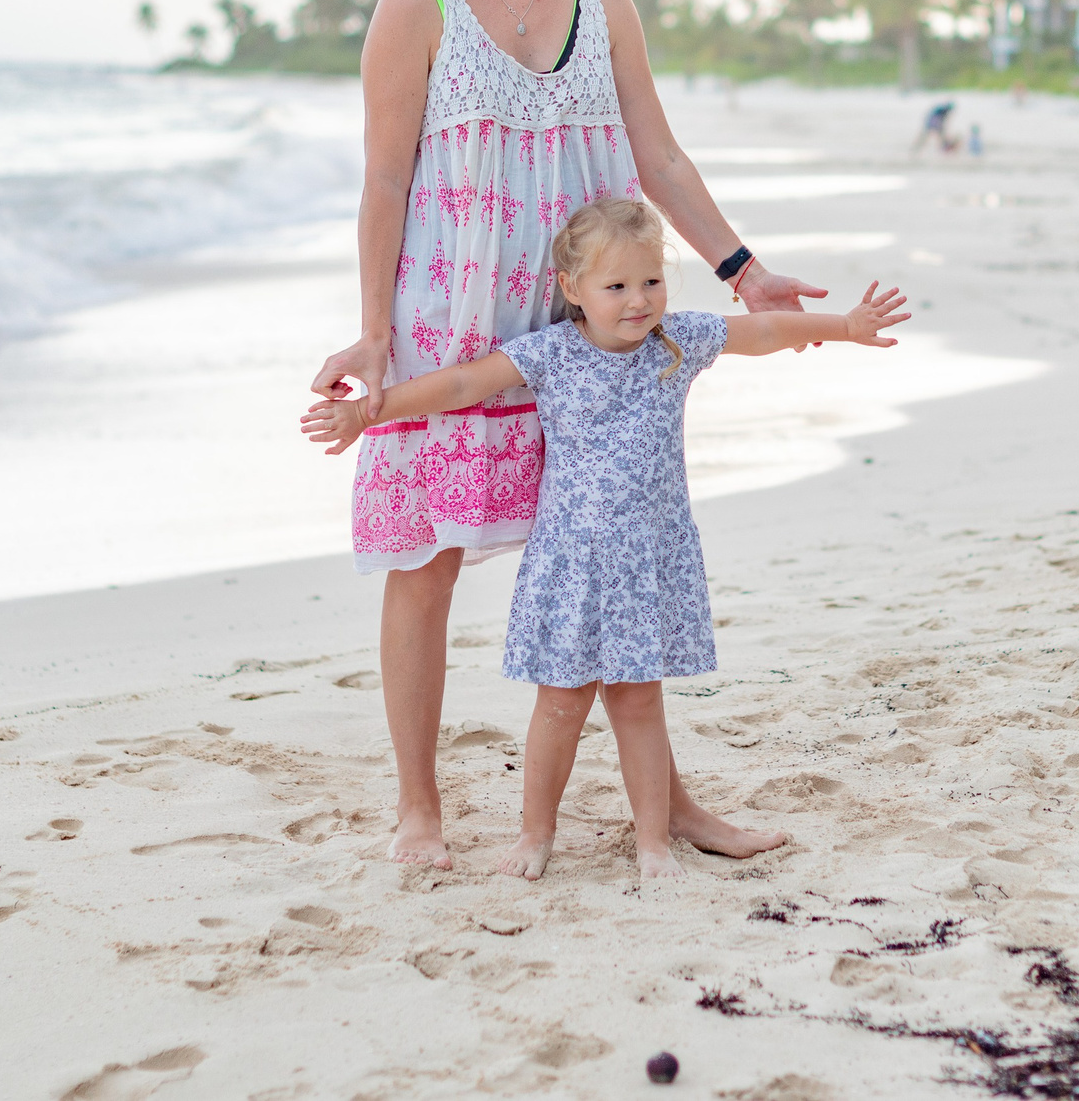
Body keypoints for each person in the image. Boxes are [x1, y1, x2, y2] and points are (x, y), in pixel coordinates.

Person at [306, 0, 828, 869]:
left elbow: (657, 150)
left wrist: (740, 267)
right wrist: (371, 333)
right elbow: (385, 177)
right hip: (453, 317)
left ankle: (671, 803)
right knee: (428, 560)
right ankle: (420, 810)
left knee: (618, 560)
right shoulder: (418, 1)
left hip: (596, 322)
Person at [304, 197, 911, 879]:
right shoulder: (551, 355)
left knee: (639, 700)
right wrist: (366, 414)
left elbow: (760, 331)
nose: (637, 300)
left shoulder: (677, 345)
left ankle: (654, 841)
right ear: (573, 291)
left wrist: (847, 327)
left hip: (649, 561)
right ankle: (535, 836)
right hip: (572, 564)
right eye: (616, 287)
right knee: (560, 703)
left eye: (650, 281)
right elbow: (464, 383)